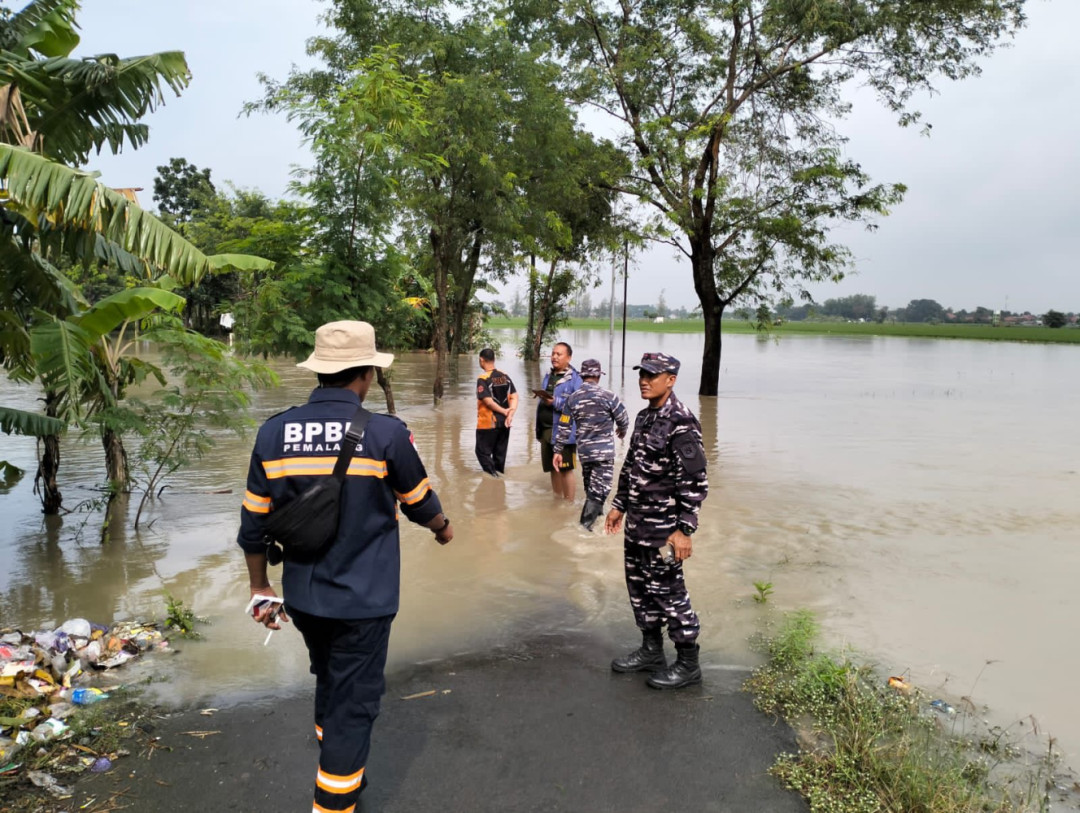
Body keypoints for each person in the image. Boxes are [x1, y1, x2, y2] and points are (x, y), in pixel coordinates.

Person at [236, 320, 454, 812]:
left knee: (330, 674)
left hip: (304, 598)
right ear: (368, 375)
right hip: (365, 599)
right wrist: (443, 527)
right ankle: (333, 797)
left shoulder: (273, 433)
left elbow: (253, 525)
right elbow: (419, 502)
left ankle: (329, 743)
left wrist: (259, 588)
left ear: (319, 372)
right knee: (355, 702)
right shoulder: (386, 433)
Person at [604, 352, 708, 690]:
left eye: (652, 375)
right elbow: (632, 466)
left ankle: (688, 663)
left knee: (670, 593)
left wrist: (684, 530)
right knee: (640, 589)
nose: (644, 380)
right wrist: (619, 504)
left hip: (664, 531)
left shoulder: (682, 422)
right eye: (642, 374)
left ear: (671, 380)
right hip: (638, 525)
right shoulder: (644, 418)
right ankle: (651, 651)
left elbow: (695, 481)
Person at [552, 358, 629, 530]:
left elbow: (563, 427)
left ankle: (597, 526)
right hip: (603, 454)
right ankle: (583, 530)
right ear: (598, 376)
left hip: (585, 454)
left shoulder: (572, 399)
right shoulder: (609, 396)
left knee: (592, 490)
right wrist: (622, 431)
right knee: (598, 493)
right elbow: (623, 419)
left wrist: (557, 451)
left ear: (582, 375)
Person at [533, 341, 582, 500]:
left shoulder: (575, 379)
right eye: (553, 353)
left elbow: (578, 406)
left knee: (566, 469)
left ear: (568, 357)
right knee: (552, 468)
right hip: (546, 429)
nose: (554, 357)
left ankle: (569, 503)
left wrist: (555, 402)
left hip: (564, 432)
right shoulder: (549, 375)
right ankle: (557, 500)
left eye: (558, 354)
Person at [475, 348, 518, 476]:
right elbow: (515, 396)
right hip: (505, 423)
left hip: (488, 423)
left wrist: (505, 411)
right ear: (494, 359)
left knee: (482, 452)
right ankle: (499, 485)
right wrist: (510, 414)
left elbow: (488, 401)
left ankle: (493, 477)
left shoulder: (483, 378)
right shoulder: (505, 376)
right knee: (500, 454)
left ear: (481, 360)